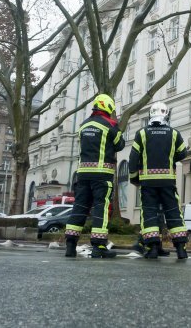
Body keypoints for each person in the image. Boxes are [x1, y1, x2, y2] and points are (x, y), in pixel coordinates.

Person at [64, 93, 125, 259]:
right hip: (101, 175)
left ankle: (70, 245)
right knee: (101, 208)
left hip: (82, 174)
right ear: (108, 107)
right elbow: (120, 144)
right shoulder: (110, 125)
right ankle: (98, 246)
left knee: (79, 207)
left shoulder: (83, 125)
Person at [128, 101, 189, 259]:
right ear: (166, 114)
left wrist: (135, 178)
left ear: (150, 115)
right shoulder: (174, 133)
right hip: (167, 181)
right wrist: (170, 157)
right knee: (173, 212)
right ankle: (181, 249)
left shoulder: (141, 133)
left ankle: (153, 247)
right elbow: (183, 153)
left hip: (148, 182)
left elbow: (133, 158)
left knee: (149, 213)